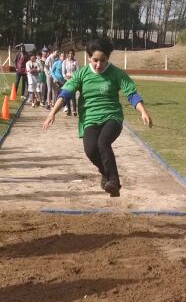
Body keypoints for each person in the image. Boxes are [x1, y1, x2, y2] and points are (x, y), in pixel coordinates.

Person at [43, 35, 153, 197]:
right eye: (95, 60)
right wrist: (52, 113)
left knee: (103, 143)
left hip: (112, 117)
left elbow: (131, 94)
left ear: (108, 58)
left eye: (103, 60)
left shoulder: (117, 73)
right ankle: (105, 173)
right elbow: (66, 92)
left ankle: (114, 181)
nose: (99, 64)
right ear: (89, 58)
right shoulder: (81, 74)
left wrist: (143, 111)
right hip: (90, 118)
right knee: (90, 150)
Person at [62, 48, 78, 116]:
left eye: (71, 53)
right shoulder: (65, 62)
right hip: (67, 80)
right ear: (67, 54)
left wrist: (73, 77)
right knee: (67, 95)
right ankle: (69, 110)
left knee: (73, 95)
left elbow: (78, 71)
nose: (70, 55)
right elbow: (63, 72)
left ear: (73, 54)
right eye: (69, 53)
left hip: (73, 79)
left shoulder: (75, 62)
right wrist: (65, 77)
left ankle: (74, 110)